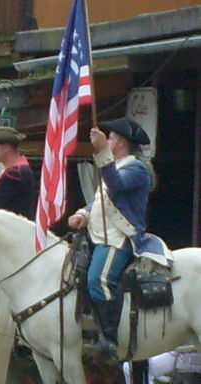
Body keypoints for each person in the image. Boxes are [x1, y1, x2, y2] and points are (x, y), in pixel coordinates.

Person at [68, 118, 173, 364]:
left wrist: (102, 150)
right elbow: (103, 200)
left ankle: (109, 340)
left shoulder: (135, 168)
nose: (109, 140)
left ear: (122, 142)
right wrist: (83, 213)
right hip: (99, 235)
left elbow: (115, 187)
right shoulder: (116, 166)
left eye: (112, 138)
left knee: (99, 280)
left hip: (120, 237)